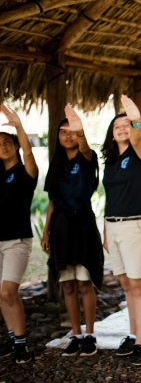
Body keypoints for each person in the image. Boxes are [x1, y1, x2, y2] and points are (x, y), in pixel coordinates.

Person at [41, 106, 103, 357]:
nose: (68, 136)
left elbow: (87, 149)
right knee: (67, 284)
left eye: (72, 132)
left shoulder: (87, 158)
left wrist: (82, 133)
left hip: (83, 223)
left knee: (84, 282)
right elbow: (52, 202)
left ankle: (90, 335)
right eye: (63, 132)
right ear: (57, 137)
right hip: (61, 227)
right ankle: (76, 335)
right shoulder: (55, 163)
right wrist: (46, 232)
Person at [101, 95, 141, 366]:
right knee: (125, 284)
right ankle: (133, 335)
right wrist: (105, 230)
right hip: (114, 226)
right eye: (117, 126)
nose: (123, 129)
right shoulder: (110, 161)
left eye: (127, 125)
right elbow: (109, 197)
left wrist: (136, 119)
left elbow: (137, 137)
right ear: (111, 134)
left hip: (136, 226)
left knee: (138, 284)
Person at [0, 105, 38, 364]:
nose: (3, 146)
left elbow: (28, 151)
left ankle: (22, 343)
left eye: (6, 142)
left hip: (17, 241)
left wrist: (18, 127)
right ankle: (14, 340)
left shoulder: (26, 173)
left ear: (14, 145)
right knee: (1, 293)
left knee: (8, 291)